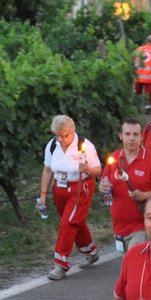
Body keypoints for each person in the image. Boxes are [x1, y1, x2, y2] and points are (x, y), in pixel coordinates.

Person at [39, 115, 102, 280]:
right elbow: (47, 170)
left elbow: (98, 171)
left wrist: (87, 168)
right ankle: (91, 251)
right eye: (57, 135)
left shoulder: (85, 145)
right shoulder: (52, 145)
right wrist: (43, 194)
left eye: (64, 135)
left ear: (72, 131)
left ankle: (61, 264)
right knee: (74, 222)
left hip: (80, 187)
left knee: (68, 223)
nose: (60, 139)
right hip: (59, 188)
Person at [103, 118, 151, 253]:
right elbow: (104, 183)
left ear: (141, 136)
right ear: (121, 136)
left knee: (135, 263)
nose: (131, 138)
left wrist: (145, 195)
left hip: (142, 226)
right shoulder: (114, 159)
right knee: (131, 267)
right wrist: (102, 188)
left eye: (135, 134)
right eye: (127, 134)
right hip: (119, 228)